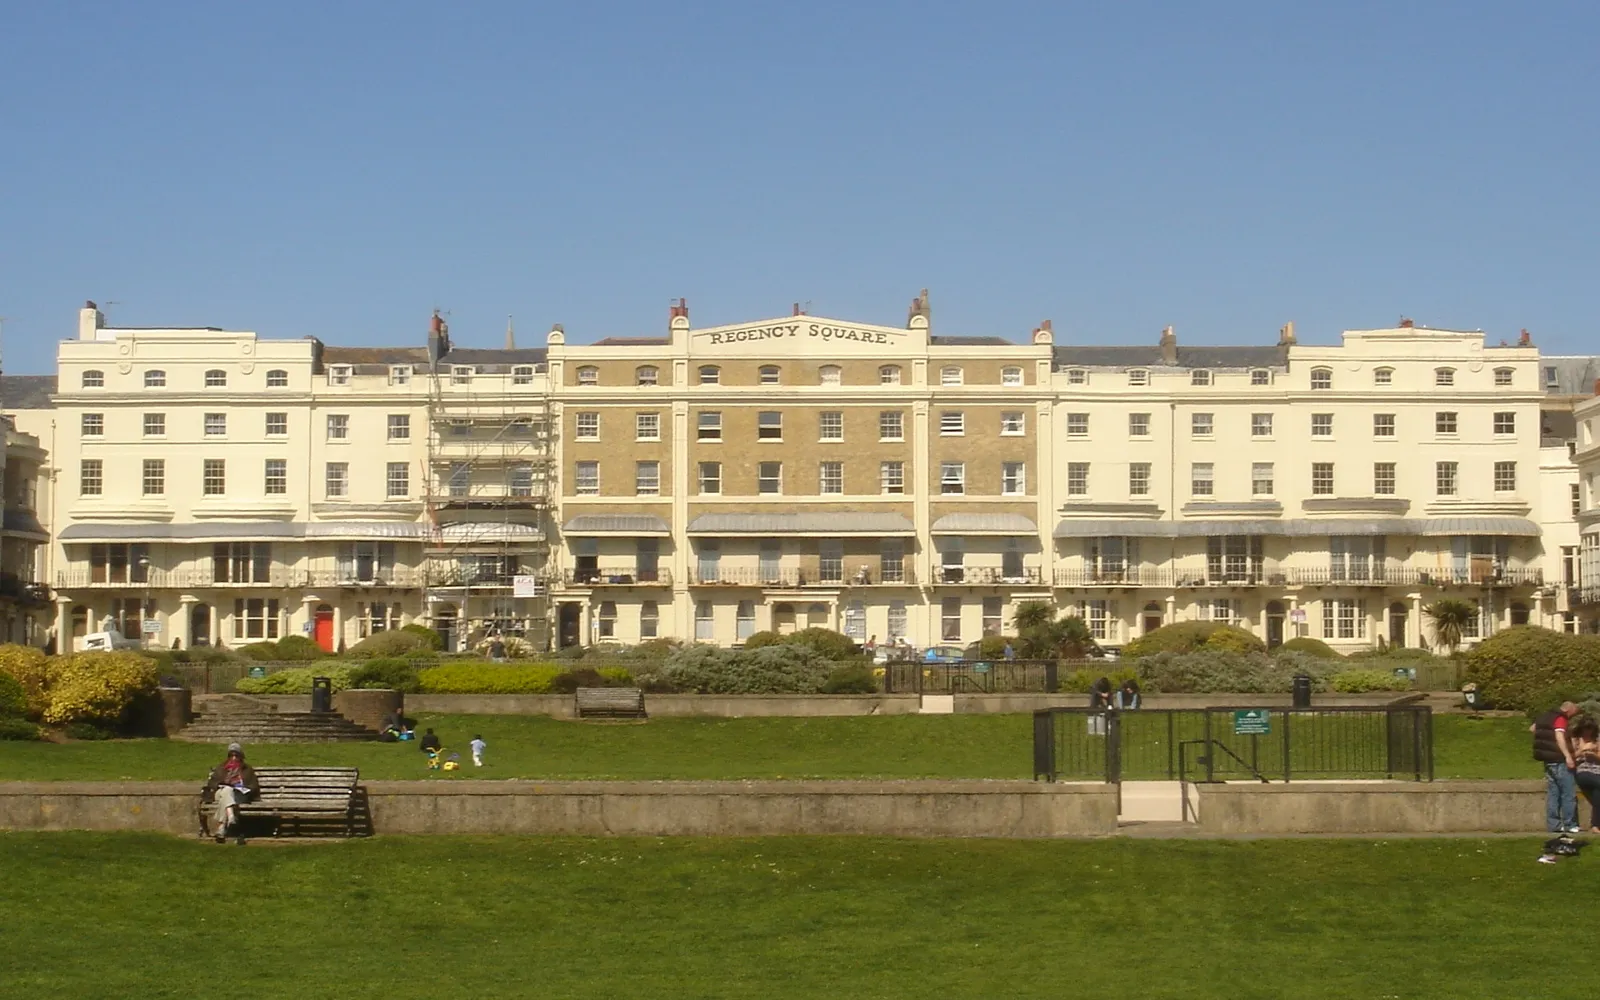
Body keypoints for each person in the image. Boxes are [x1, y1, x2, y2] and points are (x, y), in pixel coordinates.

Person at [1531, 700, 1580, 834]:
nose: (1571, 718)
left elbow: (1533, 729)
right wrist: (1567, 756)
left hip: (1547, 760)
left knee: (1553, 793)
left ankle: (1554, 825)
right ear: (1568, 710)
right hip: (1559, 760)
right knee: (1568, 793)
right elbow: (1559, 736)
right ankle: (1570, 824)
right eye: (1572, 714)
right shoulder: (1560, 718)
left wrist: (1544, 742)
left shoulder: (1544, 716)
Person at [202, 743, 258, 844]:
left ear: (241, 756)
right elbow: (212, 782)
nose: (234, 758)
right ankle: (231, 817)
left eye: (236, 755)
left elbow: (254, 785)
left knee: (227, 794)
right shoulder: (222, 767)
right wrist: (221, 784)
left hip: (238, 794)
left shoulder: (247, 769)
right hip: (219, 792)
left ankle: (222, 827)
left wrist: (245, 789)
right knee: (227, 790)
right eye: (232, 755)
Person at [1573, 716, 1600, 834]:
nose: (1587, 732)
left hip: (1597, 772)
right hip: (1583, 772)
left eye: (1590, 729)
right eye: (1585, 729)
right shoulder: (1576, 740)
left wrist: (1594, 756)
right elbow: (1570, 757)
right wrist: (1582, 750)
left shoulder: (1598, 740)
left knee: (1598, 795)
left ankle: (1595, 825)